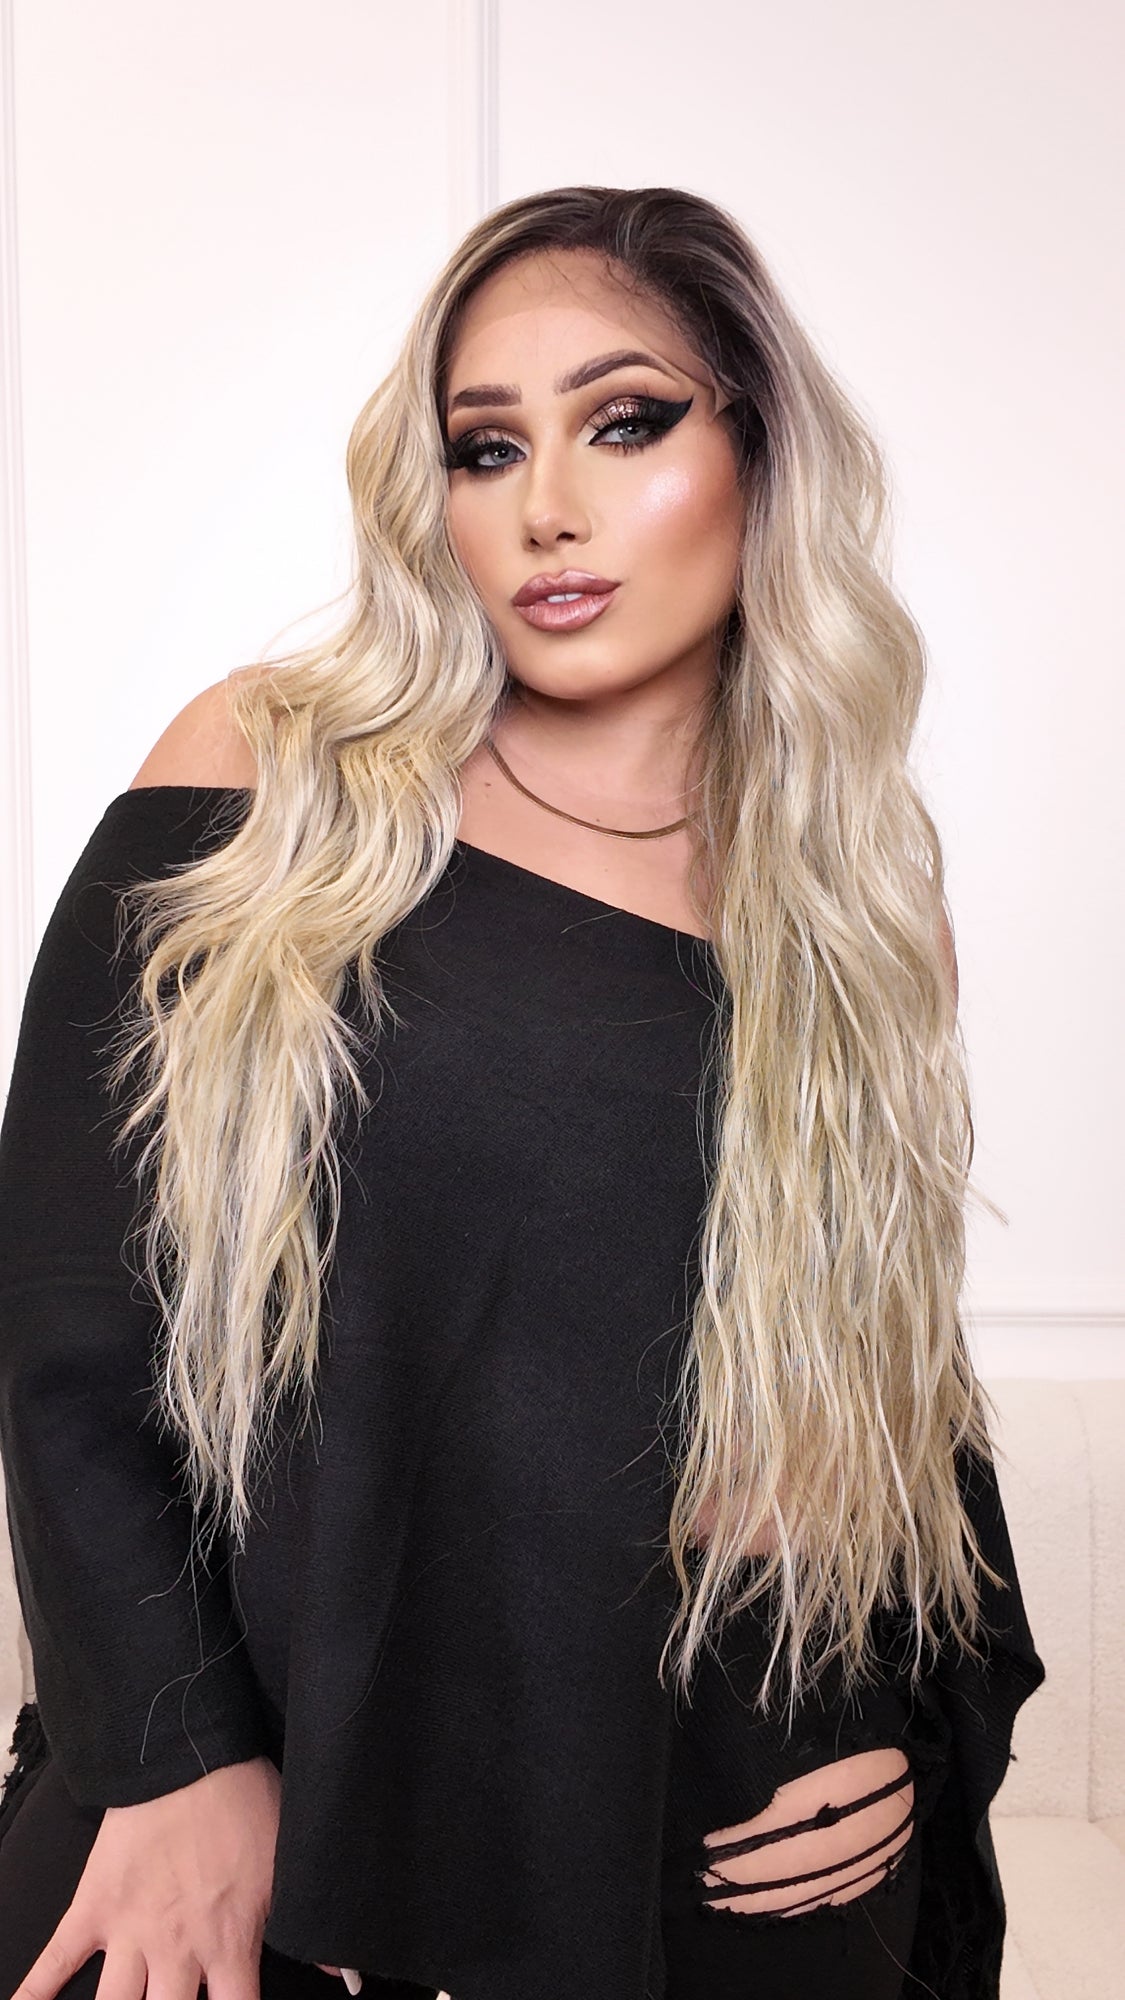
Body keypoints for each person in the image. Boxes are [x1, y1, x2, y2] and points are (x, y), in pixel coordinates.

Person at [0, 184, 1044, 2000]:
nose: (546, 506)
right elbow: (73, 1315)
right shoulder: (268, 776)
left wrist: (892, 1728)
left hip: (716, 1838)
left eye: (623, 423)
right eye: (486, 448)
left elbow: (888, 1411)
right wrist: (171, 1761)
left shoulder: (860, 907)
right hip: (249, 1801)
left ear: (758, 451)